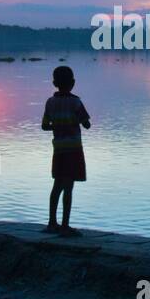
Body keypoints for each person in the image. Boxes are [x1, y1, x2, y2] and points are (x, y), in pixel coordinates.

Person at [41, 65, 90, 236]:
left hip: (59, 149)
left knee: (57, 186)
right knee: (68, 188)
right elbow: (87, 124)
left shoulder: (50, 102)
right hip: (74, 149)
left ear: (54, 83)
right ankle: (65, 226)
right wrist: (74, 122)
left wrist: (58, 125)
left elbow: (45, 126)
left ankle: (51, 223)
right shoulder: (76, 101)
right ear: (73, 83)